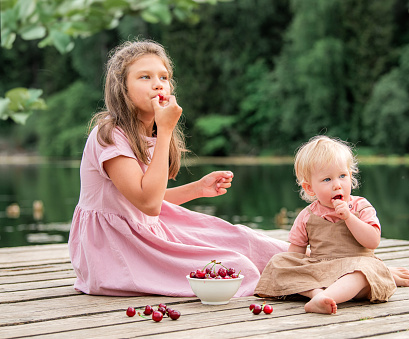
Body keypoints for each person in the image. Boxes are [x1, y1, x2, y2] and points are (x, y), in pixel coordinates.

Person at [67, 39, 289, 297]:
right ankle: (304, 284)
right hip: (113, 250)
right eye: (144, 77)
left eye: (164, 77)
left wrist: (197, 188)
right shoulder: (109, 135)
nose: (158, 83)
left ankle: (328, 266)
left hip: (146, 229)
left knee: (246, 240)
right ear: (122, 88)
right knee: (236, 268)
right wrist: (165, 130)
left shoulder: (147, 133)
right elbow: (147, 203)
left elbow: (146, 200)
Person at [254, 135, 409, 314]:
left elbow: (373, 241)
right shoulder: (307, 216)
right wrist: (297, 265)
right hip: (322, 271)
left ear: (351, 176)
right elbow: (295, 257)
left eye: (342, 176)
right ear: (309, 188)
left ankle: (325, 296)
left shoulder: (361, 207)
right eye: (327, 180)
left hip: (357, 272)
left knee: (364, 269)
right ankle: (318, 295)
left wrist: (349, 217)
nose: (337, 185)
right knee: (279, 262)